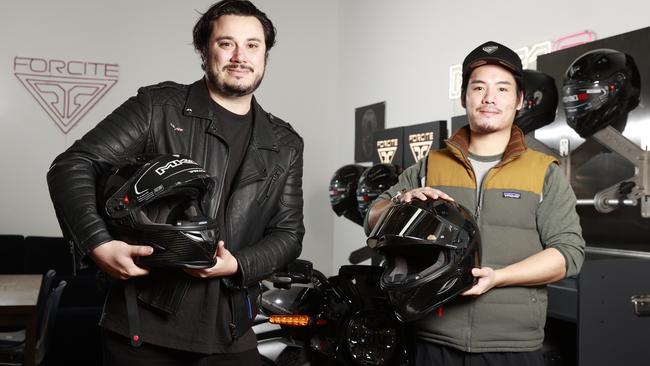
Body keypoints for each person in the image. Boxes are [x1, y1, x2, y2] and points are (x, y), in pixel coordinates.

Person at [46, 1, 304, 365]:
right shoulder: (157, 107)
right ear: (204, 49)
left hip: (233, 331)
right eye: (226, 43)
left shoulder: (286, 143)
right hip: (145, 329)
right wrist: (97, 244)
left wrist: (237, 264)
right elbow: (72, 164)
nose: (240, 56)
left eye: (252, 44)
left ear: (265, 54)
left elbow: (289, 234)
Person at [365, 41, 585, 366]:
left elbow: (569, 255)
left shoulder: (543, 172)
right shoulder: (431, 165)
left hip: (513, 346)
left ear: (520, 100)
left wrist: (499, 277)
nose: (489, 98)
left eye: (502, 88)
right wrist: (399, 202)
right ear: (464, 97)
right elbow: (372, 218)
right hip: (432, 340)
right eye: (478, 87)